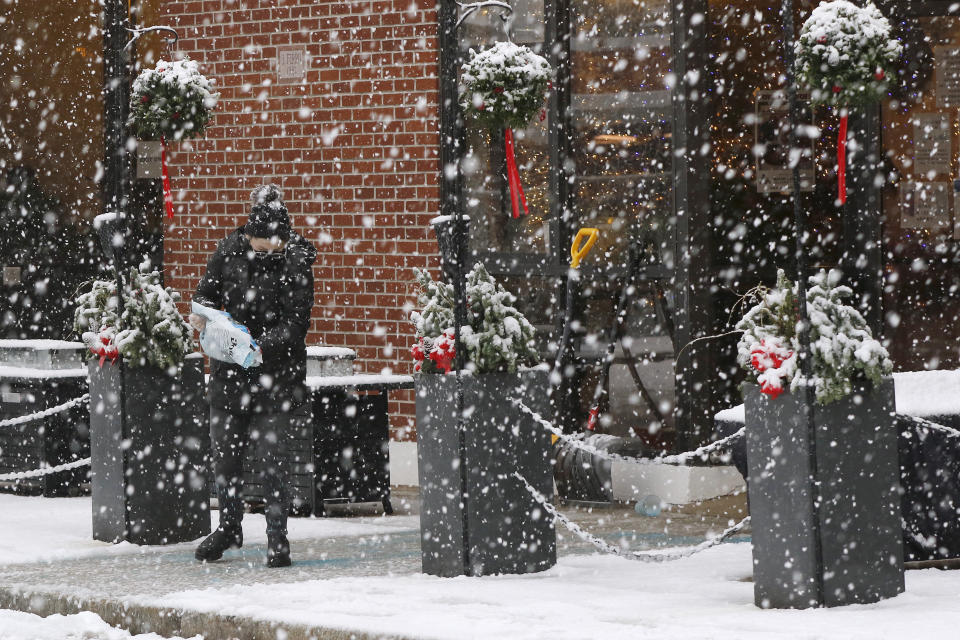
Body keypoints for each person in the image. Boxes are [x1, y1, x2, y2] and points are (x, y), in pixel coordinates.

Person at [190, 184, 316, 567]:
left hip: (274, 374)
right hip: (229, 373)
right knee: (224, 456)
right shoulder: (228, 250)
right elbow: (207, 294)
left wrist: (261, 347)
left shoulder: (296, 261)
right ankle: (229, 527)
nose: (262, 250)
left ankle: (278, 537)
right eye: (256, 243)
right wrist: (205, 316)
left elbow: (296, 323)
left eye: (268, 245)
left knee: (272, 459)